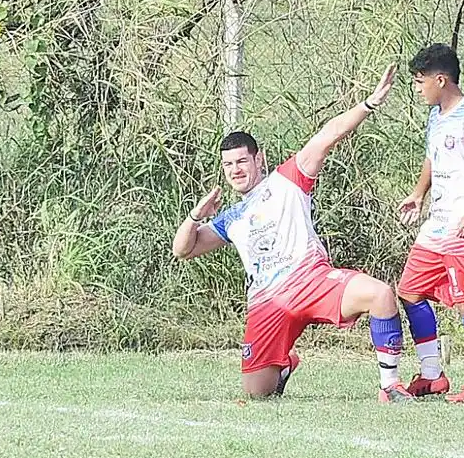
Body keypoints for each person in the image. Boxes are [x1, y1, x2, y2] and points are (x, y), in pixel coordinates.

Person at [172, 64, 416, 402]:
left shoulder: (287, 180)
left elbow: (328, 136)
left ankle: (390, 386)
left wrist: (369, 103)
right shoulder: (232, 218)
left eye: (242, 161)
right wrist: (195, 215)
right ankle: (283, 365)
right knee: (257, 395)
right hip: (267, 304)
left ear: (260, 160)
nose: (235, 170)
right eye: (228, 165)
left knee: (380, 294)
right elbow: (183, 249)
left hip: (310, 281)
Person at [396, 43, 464, 403]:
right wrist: (418, 194)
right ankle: (432, 375)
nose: (417, 88)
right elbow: (433, 157)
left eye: (420, 81)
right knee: (410, 290)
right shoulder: (437, 116)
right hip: (439, 223)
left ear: (440, 80)